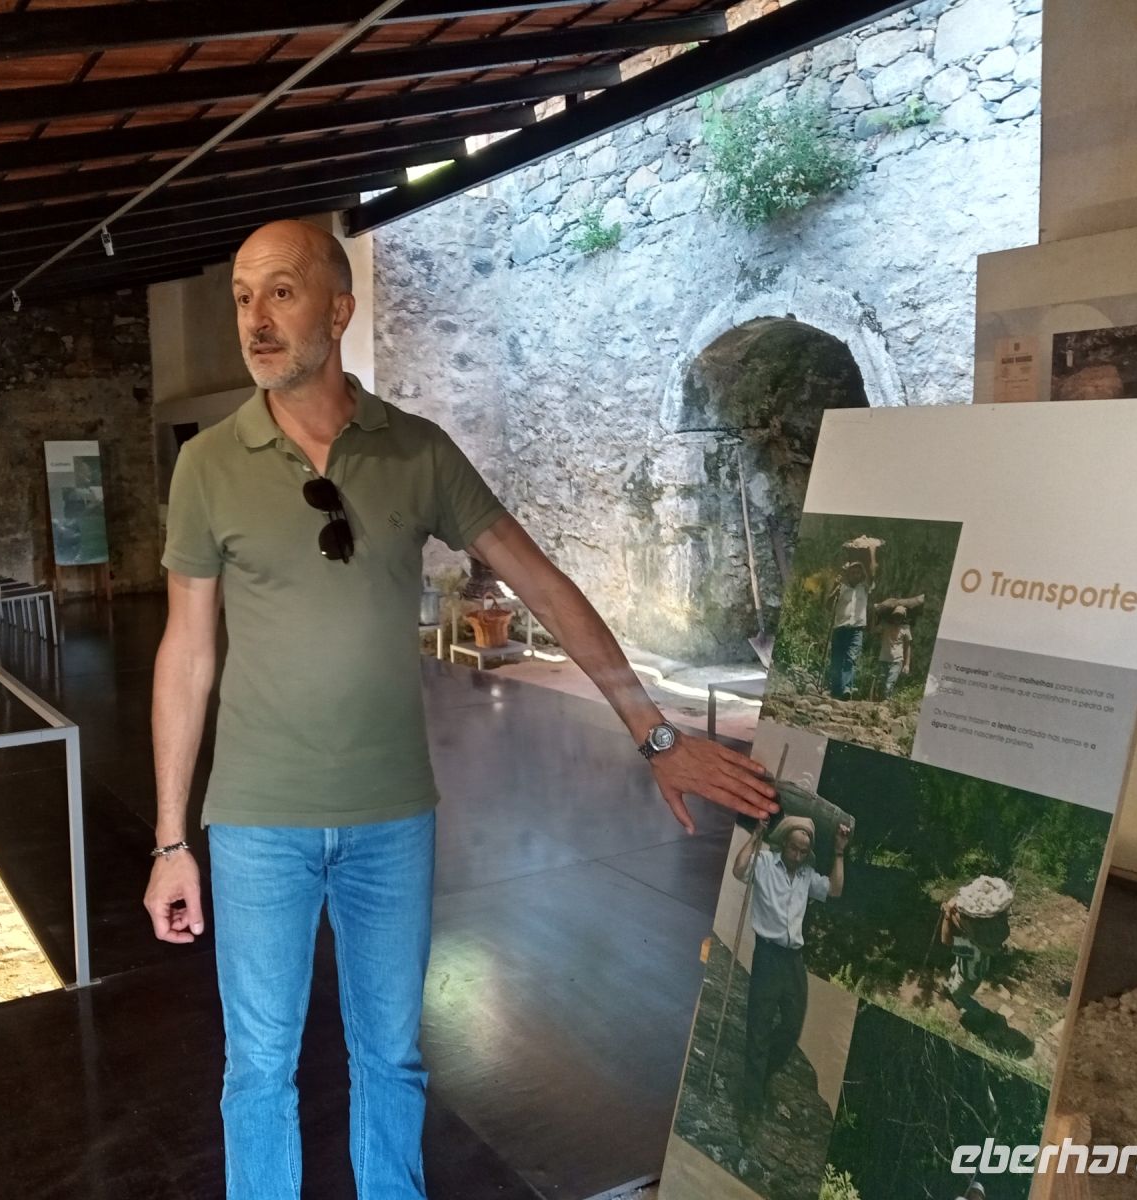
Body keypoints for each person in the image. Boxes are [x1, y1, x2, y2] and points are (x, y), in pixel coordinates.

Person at [143, 219, 779, 1199]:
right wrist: (168, 841)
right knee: (259, 1073)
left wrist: (653, 733)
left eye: (281, 292)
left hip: (390, 820)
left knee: (390, 1063)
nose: (255, 318)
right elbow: (186, 651)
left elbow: (545, 585)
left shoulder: (416, 452)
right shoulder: (210, 465)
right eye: (241, 296)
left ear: (338, 311)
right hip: (257, 824)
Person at [731, 814, 850, 1126]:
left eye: (803, 851)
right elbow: (739, 870)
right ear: (784, 844)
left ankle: (759, 1075)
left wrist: (839, 852)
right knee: (759, 1026)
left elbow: (835, 890)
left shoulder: (807, 876)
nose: (797, 856)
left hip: (794, 961)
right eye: (793, 849)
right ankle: (750, 1105)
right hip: (768, 956)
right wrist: (755, 835)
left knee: (792, 1026)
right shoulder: (764, 863)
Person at [827, 545, 876, 699]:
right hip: (840, 628)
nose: (855, 574)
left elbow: (873, 573)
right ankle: (835, 690)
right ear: (848, 574)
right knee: (836, 660)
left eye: (858, 572)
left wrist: (872, 551)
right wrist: (835, 589)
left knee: (851, 659)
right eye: (853, 572)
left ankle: (846, 689)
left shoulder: (865, 588)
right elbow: (828, 605)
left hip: (856, 629)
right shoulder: (841, 587)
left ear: (861, 575)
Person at [876, 603, 913, 697]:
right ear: (893, 616)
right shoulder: (885, 625)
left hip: (897, 660)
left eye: (900, 616)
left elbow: (908, 647)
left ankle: (886, 701)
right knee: (880, 683)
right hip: (883, 659)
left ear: (903, 617)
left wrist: (907, 664)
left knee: (889, 685)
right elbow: (874, 630)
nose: (897, 618)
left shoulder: (905, 628)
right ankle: (881, 702)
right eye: (896, 616)